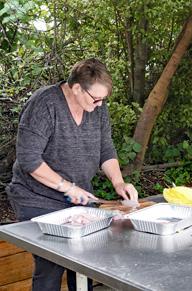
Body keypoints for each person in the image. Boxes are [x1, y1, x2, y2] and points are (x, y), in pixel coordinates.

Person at [6, 58, 138, 291]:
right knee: (51, 263)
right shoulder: (45, 104)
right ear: (77, 87)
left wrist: (119, 182)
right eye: (96, 99)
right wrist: (67, 187)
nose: (100, 105)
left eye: (103, 100)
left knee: (83, 264)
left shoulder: (97, 107)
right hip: (36, 197)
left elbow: (105, 148)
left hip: (77, 200)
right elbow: (29, 159)